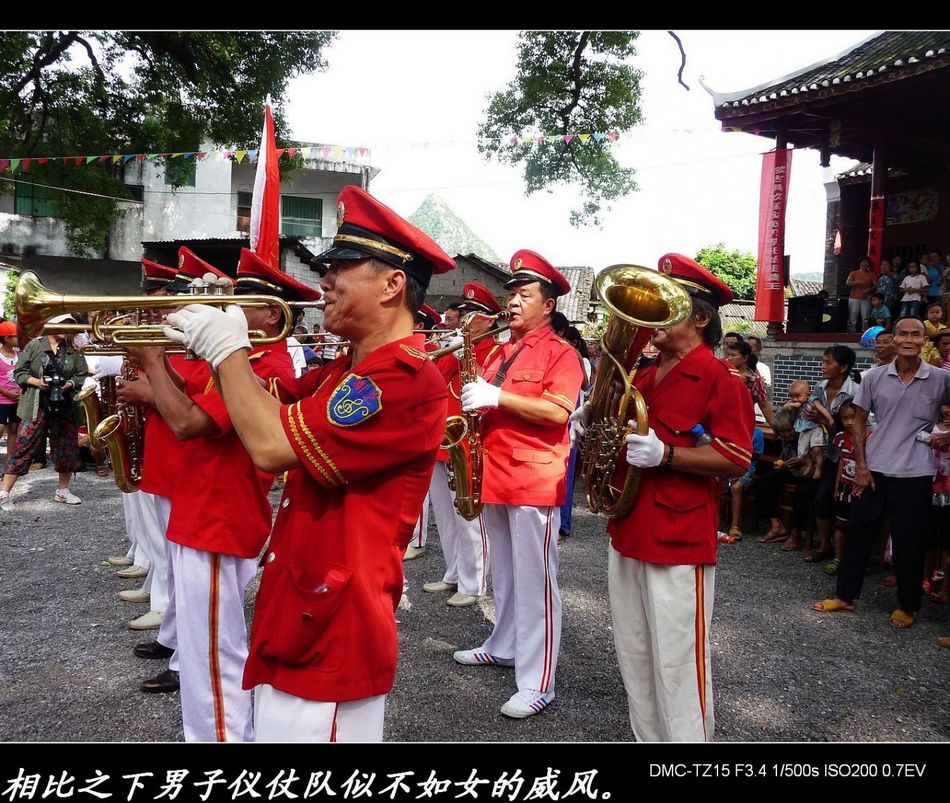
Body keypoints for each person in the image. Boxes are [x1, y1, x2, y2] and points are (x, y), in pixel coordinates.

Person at [162, 185, 454, 742]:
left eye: (342, 267)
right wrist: (204, 340)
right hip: (305, 601)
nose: (326, 282)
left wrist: (227, 348)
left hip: (336, 621)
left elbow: (271, 446)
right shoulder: (345, 369)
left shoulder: (403, 378)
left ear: (393, 285)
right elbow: (265, 408)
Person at [126, 247, 308, 741]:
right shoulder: (234, 359)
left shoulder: (266, 365)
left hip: (220, 519)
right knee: (200, 646)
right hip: (199, 512)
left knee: (214, 652)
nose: (226, 306)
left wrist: (153, 363)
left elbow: (187, 423)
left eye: (239, 299)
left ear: (272, 313)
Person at [598, 253, 752, 742]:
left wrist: (668, 454)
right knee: (636, 654)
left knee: (680, 662)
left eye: (669, 307)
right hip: (629, 526)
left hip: (678, 535)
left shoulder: (720, 378)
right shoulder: (643, 374)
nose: (653, 320)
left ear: (700, 319)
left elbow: (736, 458)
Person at [453, 249, 583, 719]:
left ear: (548, 304)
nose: (512, 302)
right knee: (505, 575)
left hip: (532, 478)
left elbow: (557, 411)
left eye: (524, 295)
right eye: (511, 294)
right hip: (495, 473)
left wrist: (498, 396)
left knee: (535, 581)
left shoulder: (562, 354)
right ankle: (504, 643)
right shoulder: (503, 350)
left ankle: (539, 682)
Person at [812, 316, 950, 629]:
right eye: (903, 333)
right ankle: (845, 597)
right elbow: (858, 421)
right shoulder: (873, 377)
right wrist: (861, 465)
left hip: (916, 471)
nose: (909, 339)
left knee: (909, 541)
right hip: (873, 469)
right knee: (858, 532)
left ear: (925, 340)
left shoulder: (940, 379)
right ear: (893, 339)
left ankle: (907, 605)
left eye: (916, 334)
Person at [424, 282, 503, 606]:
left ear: (489, 320)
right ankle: (453, 572)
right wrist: (451, 353)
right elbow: (434, 377)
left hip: (469, 441)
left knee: (469, 515)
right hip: (443, 438)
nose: (467, 320)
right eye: (465, 314)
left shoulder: (495, 350)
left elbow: (490, 387)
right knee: (445, 513)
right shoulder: (456, 346)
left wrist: (467, 353)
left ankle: (473, 583)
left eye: (474, 315)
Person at [0, 314, 87, 511]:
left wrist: (69, 384)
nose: (68, 329)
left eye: (70, 326)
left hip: (65, 406)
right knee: (24, 445)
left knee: (66, 446)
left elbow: (80, 374)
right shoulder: (35, 346)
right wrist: (37, 382)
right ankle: (4, 493)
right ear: (53, 325)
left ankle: (62, 491)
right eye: (64, 325)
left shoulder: (74, 350)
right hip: (36, 404)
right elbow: (19, 372)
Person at [403, 302, 443, 561]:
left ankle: (416, 539)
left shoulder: (433, 351)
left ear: (419, 325)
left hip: (422, 426)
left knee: (418, 489)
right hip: (407, 423)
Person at [558, 325, 591, 543]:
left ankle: (563, 525)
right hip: (558, 424)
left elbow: (586, 386)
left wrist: (577, 359)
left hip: (571, 426)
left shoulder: (583, 361)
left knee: (565, 480)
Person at [723, 340, 774, 427]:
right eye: (728, 355)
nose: (729, 358)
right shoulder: (723, 374)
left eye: (734, 355)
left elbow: (764, 406)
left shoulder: (753, 379)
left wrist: (775, 428)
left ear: (745, 358)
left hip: (743, 423)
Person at [0, 321, 21, 461]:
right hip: (2, 399)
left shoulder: (19, 354)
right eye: (16, 336)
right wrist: (7, 393)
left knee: (14, 429)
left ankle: (10, 461)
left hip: (18, 399)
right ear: (7, 338)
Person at [846, 257, 876, 332]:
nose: (864, 264)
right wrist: (857, 282)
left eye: (866, 262)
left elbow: (876, 286)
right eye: (863, 262)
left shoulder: (872, 274)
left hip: (866, 298)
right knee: (852, 316)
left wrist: (869, 289)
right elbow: (847, 283)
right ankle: (851, 332)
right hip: (854, 298)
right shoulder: (854, 273)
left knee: (865, 317)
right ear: (860, 263)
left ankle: (864, 332)